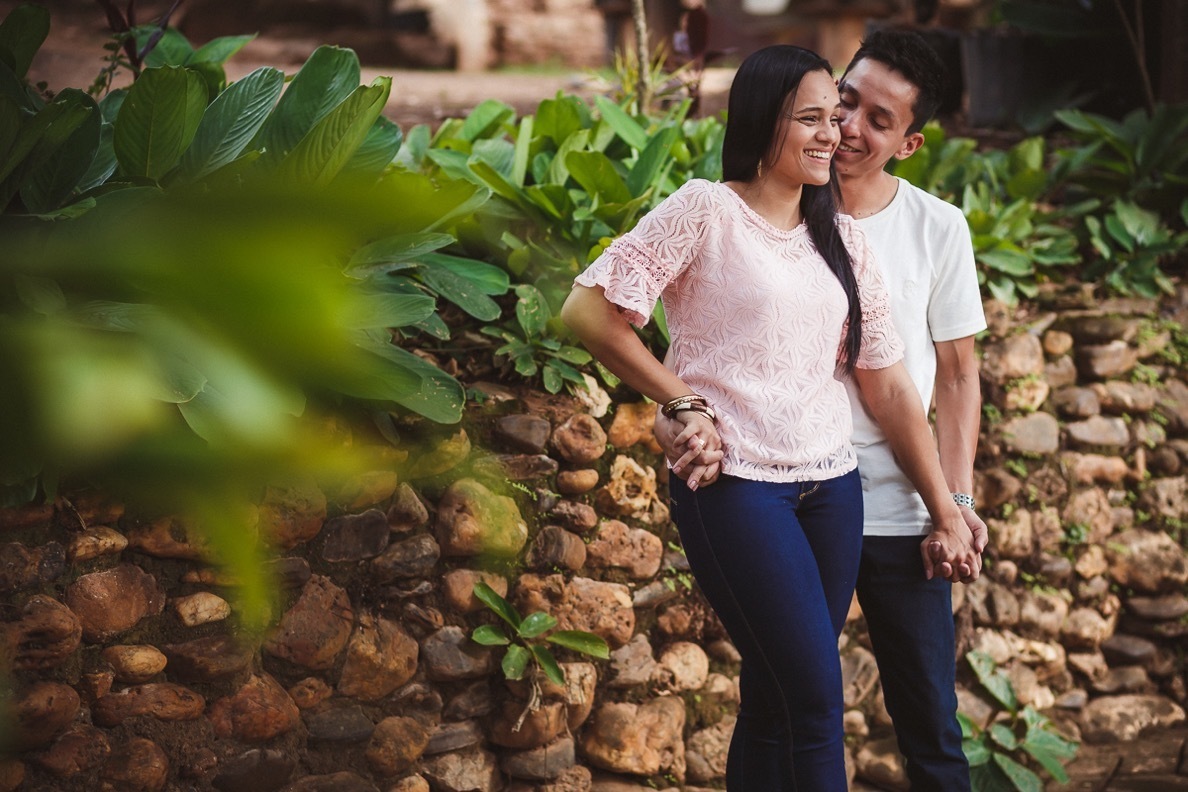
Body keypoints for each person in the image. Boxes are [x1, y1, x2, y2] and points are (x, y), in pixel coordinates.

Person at [562, 44, 980, 792]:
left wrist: (948, 506)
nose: (835, 132)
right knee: (817, 703)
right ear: (764, 120)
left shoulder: (845, 237)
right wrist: (681, 401)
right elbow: (589, 312)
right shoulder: (705, 209)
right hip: (738, 484)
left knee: (776, 702)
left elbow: (889, 386)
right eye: (816, 116)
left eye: (842, 117)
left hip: (834, 487)